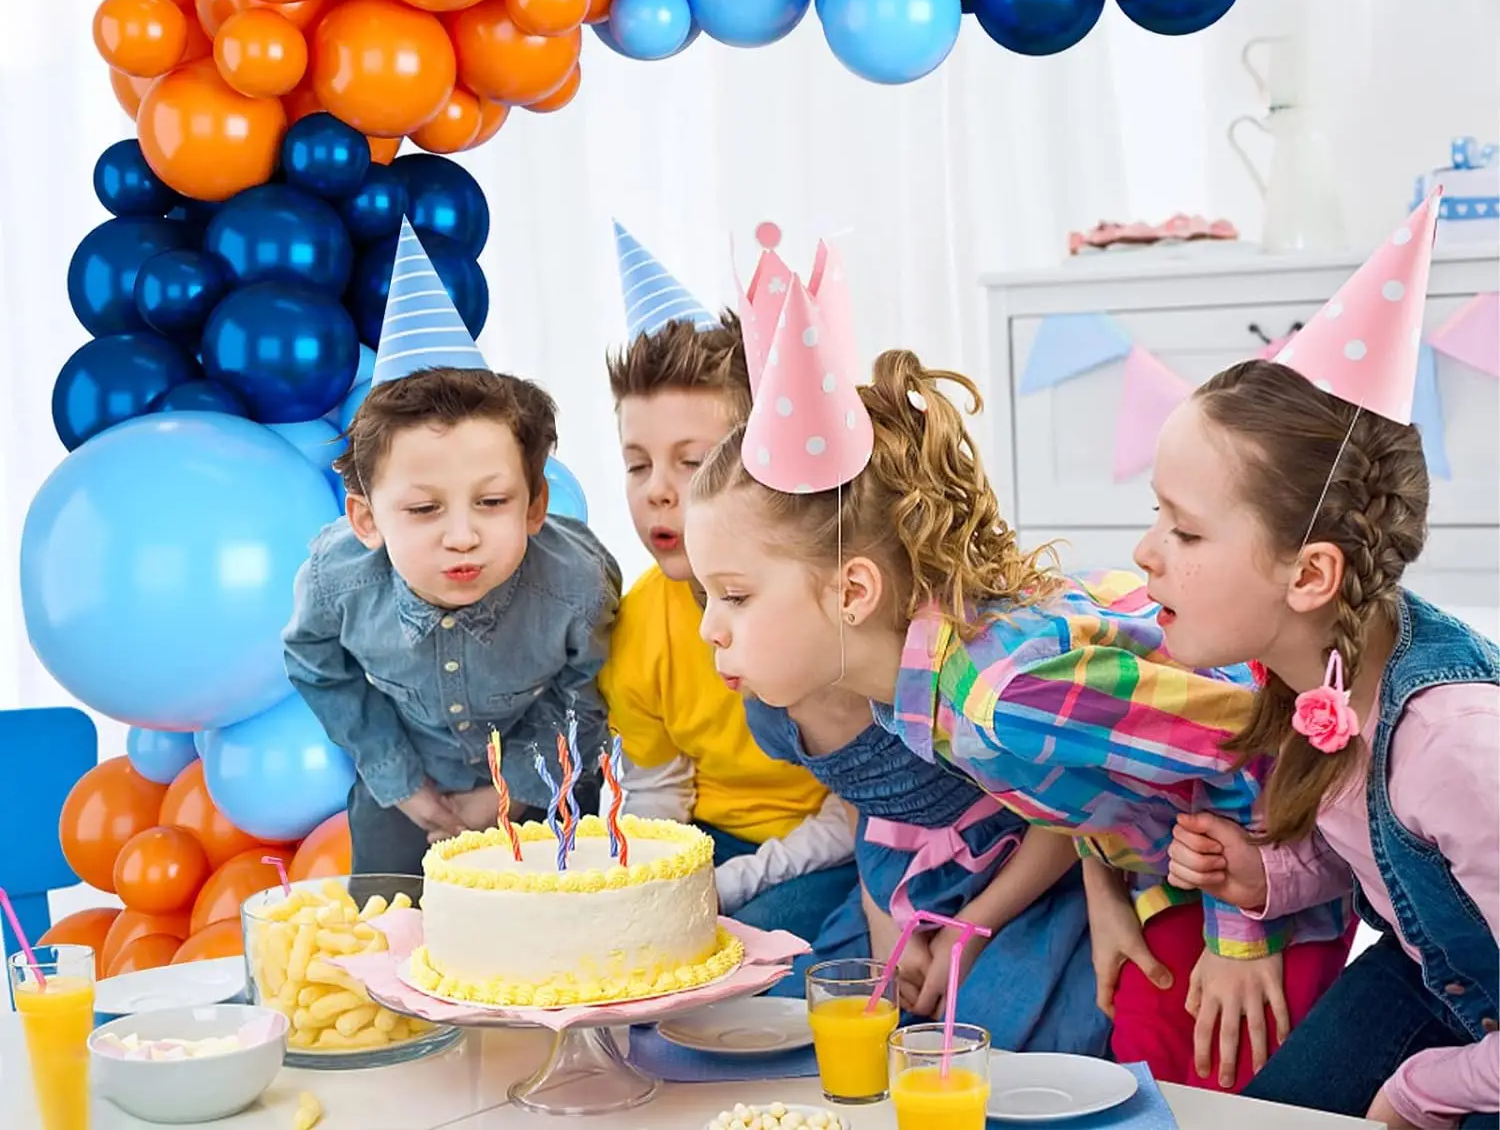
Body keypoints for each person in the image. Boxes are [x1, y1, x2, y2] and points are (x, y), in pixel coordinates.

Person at [683, 235, 1349, 1093]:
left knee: (1188, 1085)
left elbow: (1243, 739)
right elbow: (1110, 774)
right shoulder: (909, 694)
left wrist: (1241, 934)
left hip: (1282, 874)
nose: (710, 630)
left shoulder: (1002, 695)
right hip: (1168, 869)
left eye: (732, 595)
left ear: (852, 591)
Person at [1156, 196, 1498, 1130]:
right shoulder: (1315, 670)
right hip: (1437, 978)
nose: (1147, 554)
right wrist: (1267, 875)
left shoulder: (1455, 746)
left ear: (1311, 573)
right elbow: (1378, 853)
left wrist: (1424, 1089)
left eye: (1183, 529)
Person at [284, 219, 620, 876]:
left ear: (535, 505)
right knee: (389, 923)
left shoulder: (576, 582)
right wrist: (402, 784)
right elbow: (314, 662)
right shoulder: (336, 579)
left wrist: (515, 793)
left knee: (554, 933)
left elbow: (590, 691)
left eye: (492, 503)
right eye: (423, 508)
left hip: (545, 779)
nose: (462, 535)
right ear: (366, 518)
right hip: (412, 780)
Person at [599, 222, 856, 941]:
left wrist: (734, 885)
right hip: (708, 850)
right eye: (637, 463)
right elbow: (656, 803)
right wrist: (661, 890)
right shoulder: (640, 624)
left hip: (827, 847)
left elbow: (860, 808)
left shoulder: (819, 605)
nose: (658, 491)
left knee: (766, 981)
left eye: (693, 461)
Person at [745, 689, 1109, 1054]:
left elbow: (1077, 805)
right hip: (895, 893)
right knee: (805, 1023)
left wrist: (971, 929)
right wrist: (885, 920)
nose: (712, 634)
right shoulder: (772, 712)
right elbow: (860, 804)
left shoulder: (975, 681)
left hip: (1021, 890)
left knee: (991, 1035)